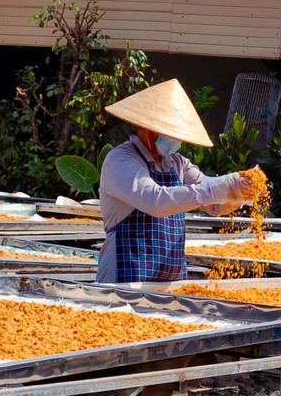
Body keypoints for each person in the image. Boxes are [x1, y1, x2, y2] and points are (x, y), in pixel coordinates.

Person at [96, 78, 255, 283]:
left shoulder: (177, 163)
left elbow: (213, 204)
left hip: (171, 282)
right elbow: (155, 201)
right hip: (126, 277)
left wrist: (240, 192)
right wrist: (224, 185)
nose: (175, 140)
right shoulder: (121, 160)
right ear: (149, 129)